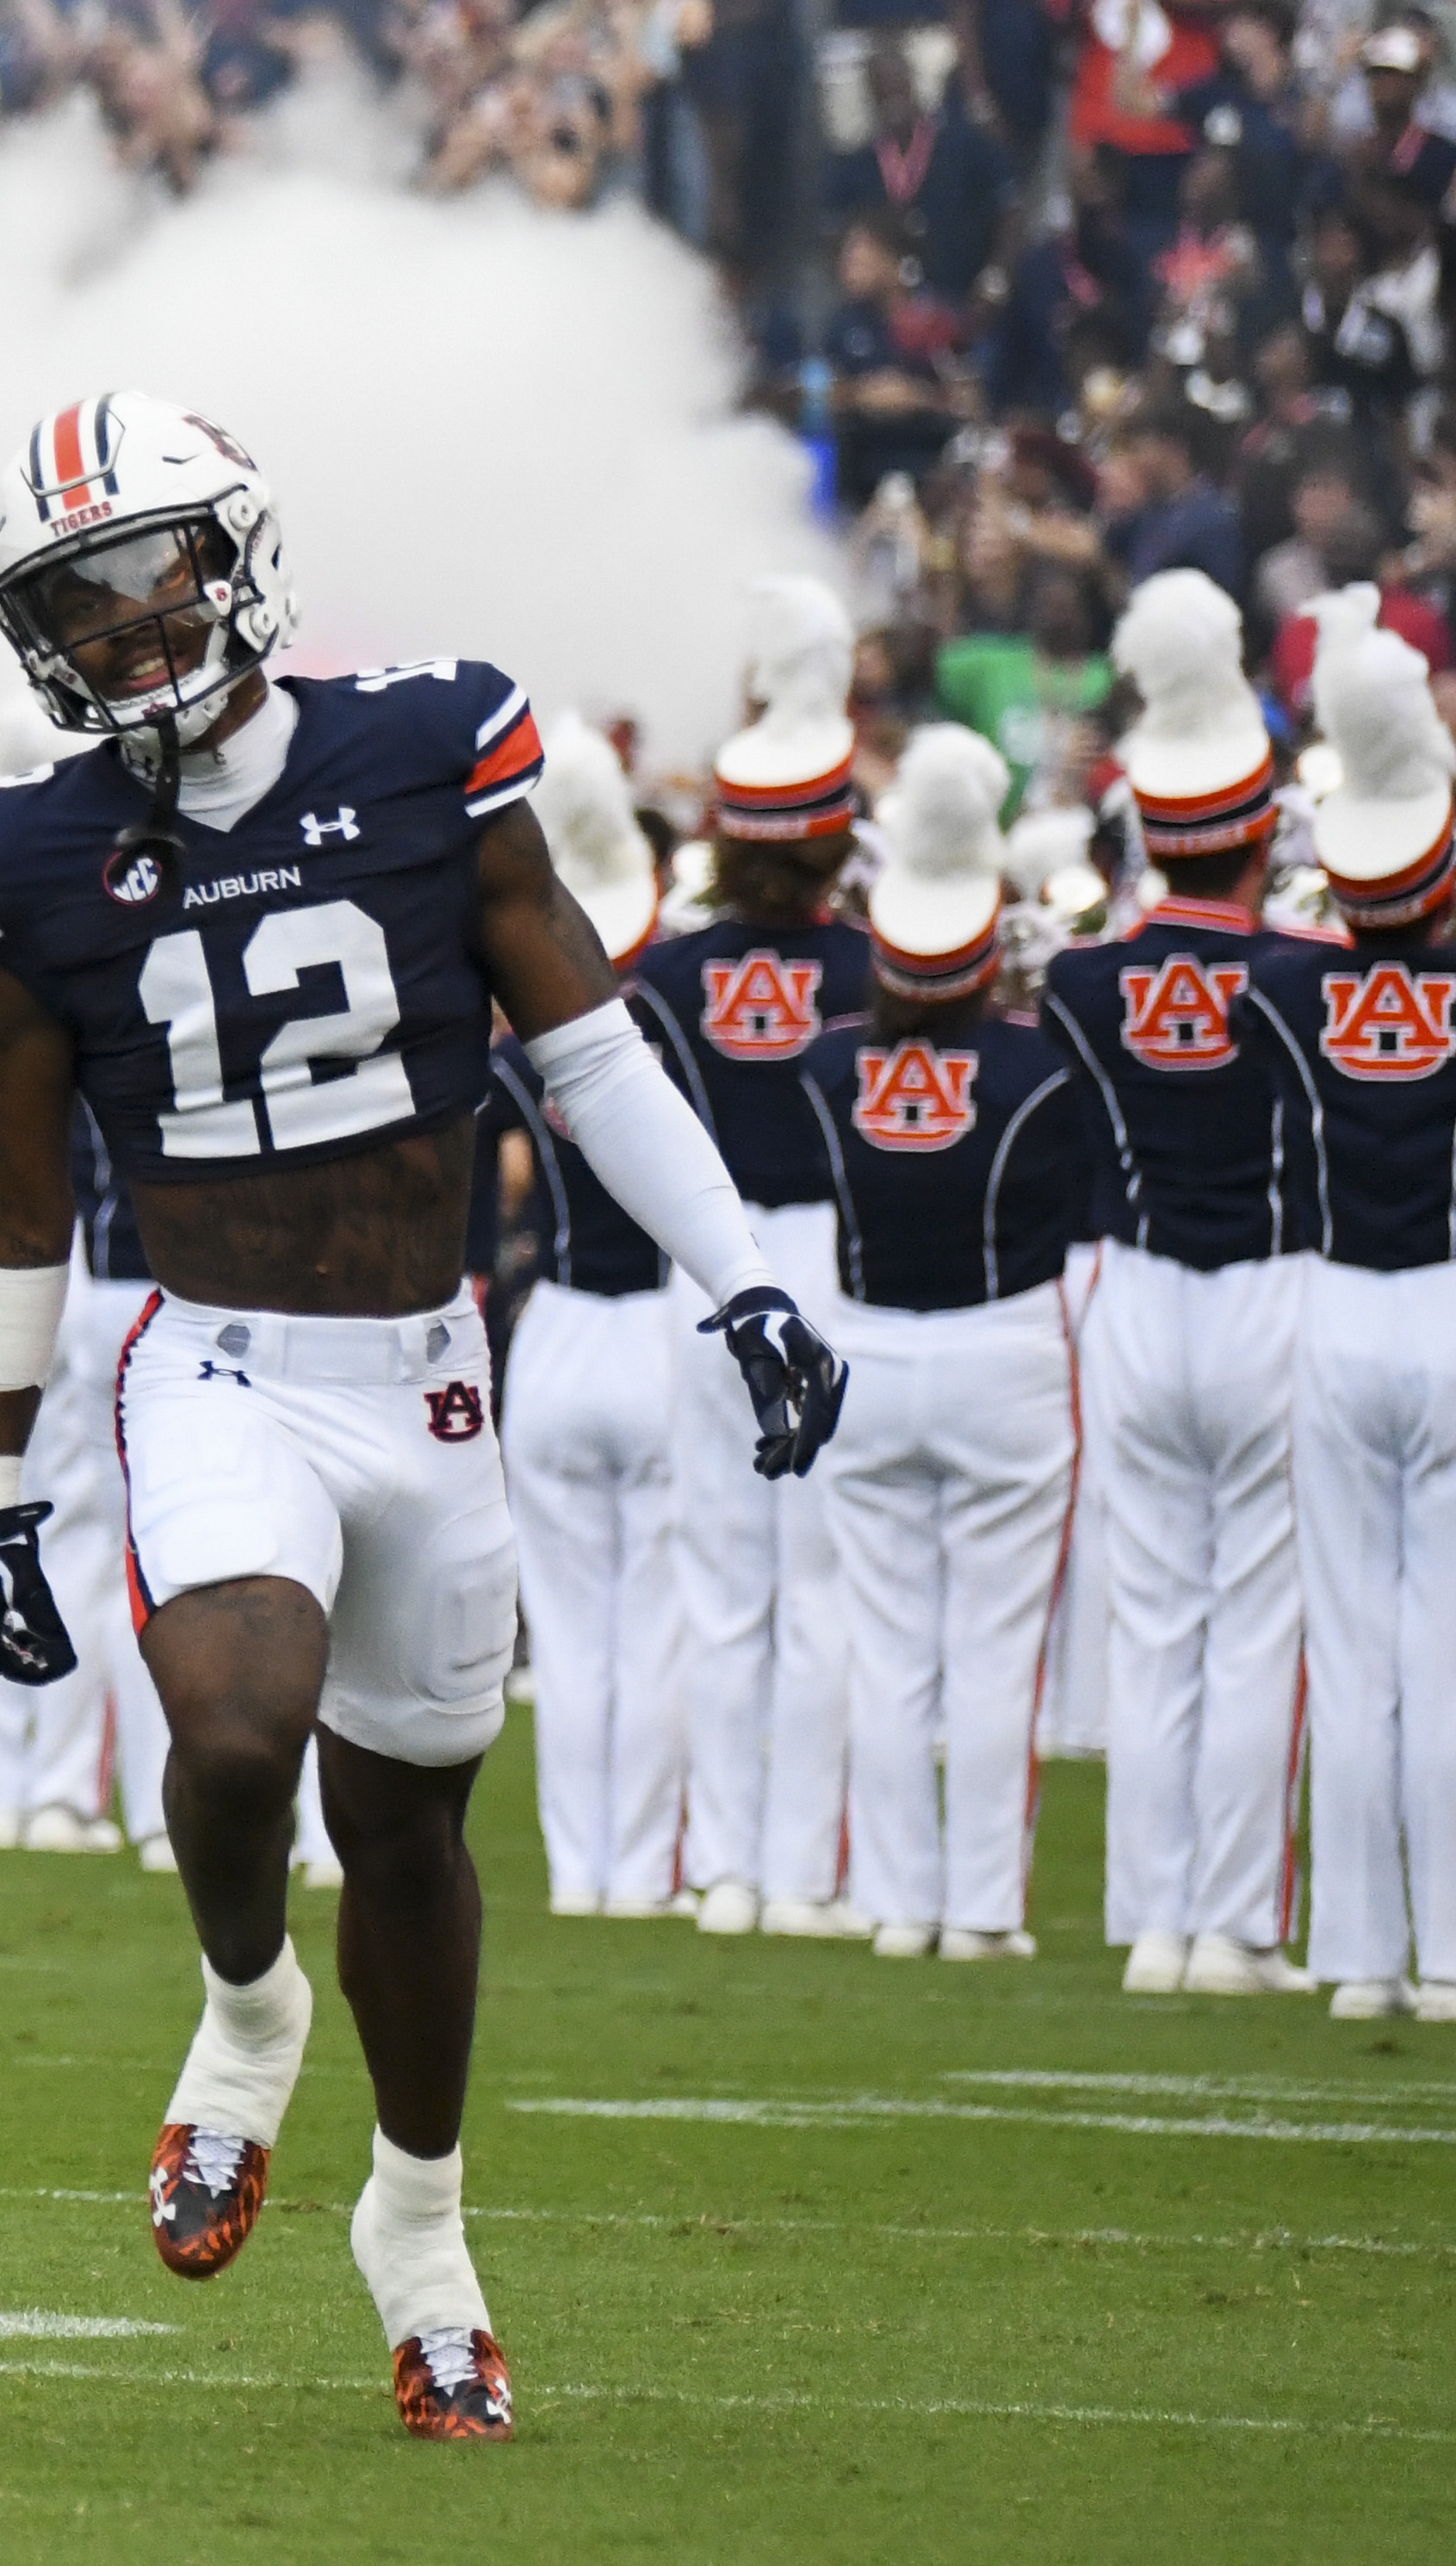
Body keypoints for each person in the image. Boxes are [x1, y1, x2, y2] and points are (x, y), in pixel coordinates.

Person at [0, 391, 845, 2444]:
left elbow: (585, 1046)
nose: (120, 618)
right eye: (72, 594)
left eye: (146, 565)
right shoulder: (15, 853)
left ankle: (416, 2237)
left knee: (412, 1823)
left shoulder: (426, 741)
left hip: (425, 1367)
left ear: (235, 547)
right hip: (216, 1358)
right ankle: (245, 2011)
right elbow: (9, 1201)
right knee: (236, 1722)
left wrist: (745, 1274)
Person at [1033, 573, 1319, 1996]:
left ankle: (1151, 1921)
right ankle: (1232, 1925)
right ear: (1263, 823)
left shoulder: (1079, 981)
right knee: (1257, 1612)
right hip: (1269, 1294)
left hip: (1134, 1299)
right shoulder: (1308, 971)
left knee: (1150, 1615)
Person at [770, 727, 1091, 1967]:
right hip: (1001, 1351)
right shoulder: (1040, 1067)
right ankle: (980, 1911)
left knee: (891, 1644)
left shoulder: (823, 1061)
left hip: (865, 1359)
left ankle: (900, 1904)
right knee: (994, 1650)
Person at [1248, 600, 1456, 2024]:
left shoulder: (1283, 992)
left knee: (1346, 1644)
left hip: (1336, 1308)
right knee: (1451, 1643)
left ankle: (1354, 1957)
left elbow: (1288, 931)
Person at [634, 581, 870, 1935]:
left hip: (704, 1273)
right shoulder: (873, 966)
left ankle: (721, 1870)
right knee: (818, 1589)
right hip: (827, 1273)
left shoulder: (666, 973)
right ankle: (801, 1873)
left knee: (718, 1593)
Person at [490, 734, 691, 1921]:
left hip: (557, 1328)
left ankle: (579, 1872)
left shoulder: (518, 1039)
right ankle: (640, 1868)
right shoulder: (673, 1016)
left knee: (567, 1633)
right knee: (650, 1618)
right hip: (656, 1323)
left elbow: (504, 1176)